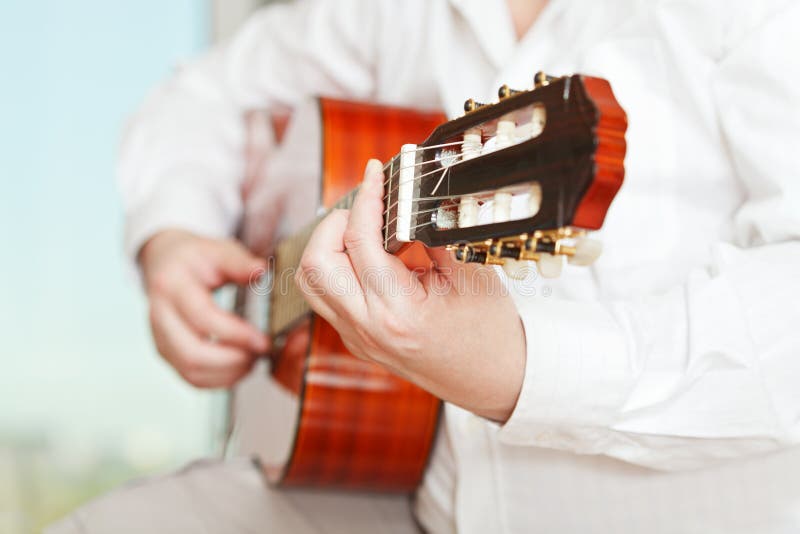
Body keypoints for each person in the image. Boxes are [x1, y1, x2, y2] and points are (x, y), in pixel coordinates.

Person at [48, 0, 800, 532]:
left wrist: (520, 363)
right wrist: (171, 238)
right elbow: (200, 95)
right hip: (387, 496)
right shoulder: (392, 11)